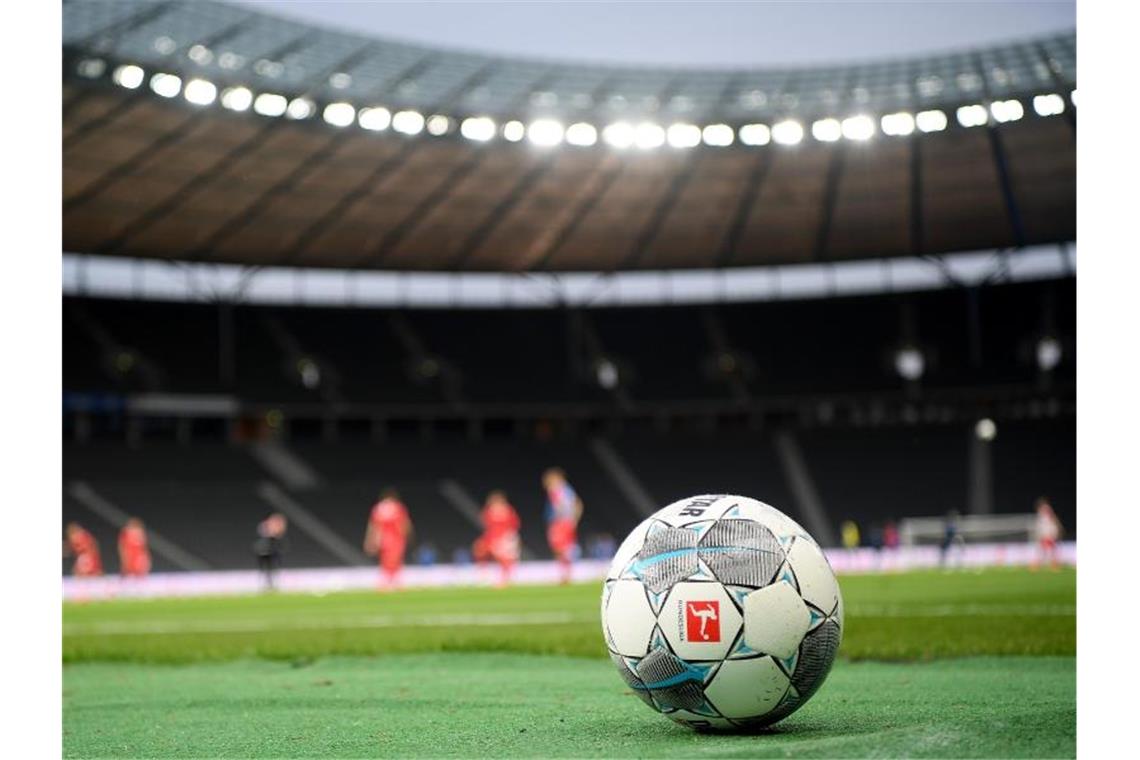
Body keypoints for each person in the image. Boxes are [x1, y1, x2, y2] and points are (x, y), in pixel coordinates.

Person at [365, 488, 413, 590]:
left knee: (386, 561)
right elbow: (404, 524)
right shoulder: (398, 507)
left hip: (383, 539)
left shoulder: (378, 508)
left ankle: (387, 582)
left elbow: (374, 526)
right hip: (396, 538)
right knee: (395, 560)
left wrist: (371, 540)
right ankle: (394, 582)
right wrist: (408, 535)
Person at [543, 468, 582, 584]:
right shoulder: (567, 489)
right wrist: (574, 519)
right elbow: (578, 504)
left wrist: (569, 519)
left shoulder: (557, 490)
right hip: (563, 522)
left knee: (561, 548)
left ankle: (567, 572)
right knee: (560, 548)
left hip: (560, 523)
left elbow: (565, 505)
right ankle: (565, 574)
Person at [477, 490, 521, 587]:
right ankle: (483, 575)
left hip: (505, 538)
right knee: (480, 551)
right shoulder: (488, 511)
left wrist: (510, 538)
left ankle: (505, 579)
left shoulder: (508, 510)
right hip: (491, 537)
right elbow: (486, 524)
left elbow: (515, 524)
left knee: (504, 558)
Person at [254, 513, 288, 591]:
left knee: (273, 568)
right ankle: (264, 585)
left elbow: (278, 537)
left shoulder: (276, 532)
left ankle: (272, 585)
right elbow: (263, 535)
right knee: (264, 569)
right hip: (263, 552)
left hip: (271, 552)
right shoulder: (264, 526)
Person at [1032, 497, 1064, 571]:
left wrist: (1056, 529)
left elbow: (1052, 519)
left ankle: (1039, 565)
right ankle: (1051, 565)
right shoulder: (1042, 512)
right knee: (1047, 550)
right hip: (1047, 533)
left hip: (1048, 532)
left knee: (1046, 550)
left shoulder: (1045, 509)